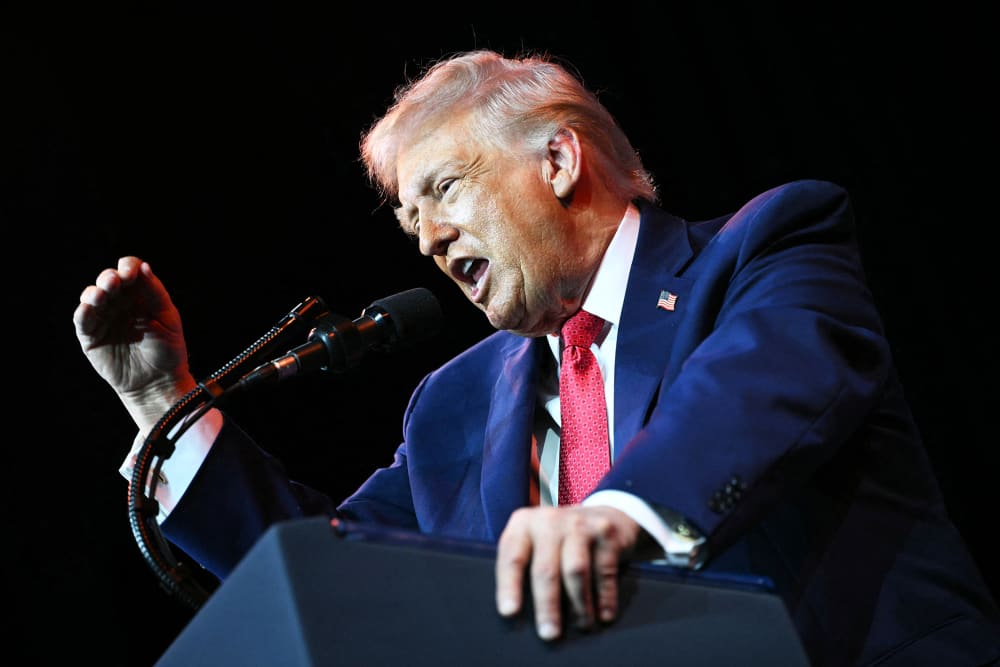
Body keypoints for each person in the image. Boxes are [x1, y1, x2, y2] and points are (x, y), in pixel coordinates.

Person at [74, 49, 1000, 665]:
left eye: (443, 190)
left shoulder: (765, 250)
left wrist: (620, 514)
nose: (430, 240)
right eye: (409, 221)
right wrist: (166, 402)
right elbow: (331, 568)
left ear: (558, 161)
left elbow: (760, 389)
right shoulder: (455, 403)